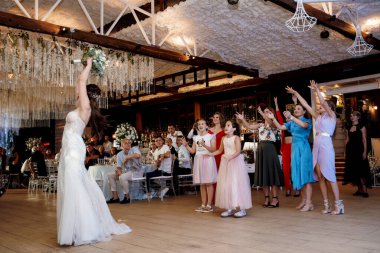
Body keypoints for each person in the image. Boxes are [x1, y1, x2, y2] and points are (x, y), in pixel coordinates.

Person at [57, 57, 131, 246]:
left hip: (74, 149)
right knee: (72, 184)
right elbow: (79, 84)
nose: (78, 93)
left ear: (86, 95)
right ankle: (75, 227)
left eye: (81, 92)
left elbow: (81, 82)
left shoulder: (85, 108)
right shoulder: (80, 107)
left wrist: (89, 65)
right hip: (68, 149)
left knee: (75, 185)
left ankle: (85, 229)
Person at [287, 80, 344, 215]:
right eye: (319, 107)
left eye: (322, 107)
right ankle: (326, 204)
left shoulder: (332, 117)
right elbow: (306, 105)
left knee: (330, 176)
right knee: (320, 177)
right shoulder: (318, 117)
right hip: (317, 146)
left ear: (329, 108)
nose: (319, 107)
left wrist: (317, 90)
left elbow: (324, 103)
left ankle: (339, 205)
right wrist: (296, 93)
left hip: (326, 146)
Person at [268, 103, 314, 211]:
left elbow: (303, 126)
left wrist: (291, 117)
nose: (296, 110)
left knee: (306, 177)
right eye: (295, 109)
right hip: (295, 149)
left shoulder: (307, 121)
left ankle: (309, 203)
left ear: (304, 112)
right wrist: (273, 118)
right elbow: (280, 127)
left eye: (299, 109)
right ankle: (303, 200)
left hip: (303, 148)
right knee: (298, 175)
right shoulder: (292, 123)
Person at [236, 107, 283, 208]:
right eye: (265, 112)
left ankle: (275, 199)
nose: (266, 113)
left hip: (270, 148)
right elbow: (248, 126)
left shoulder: (274, 123)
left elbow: (270, 122)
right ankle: (266, 198)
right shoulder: (260, 125)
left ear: (272, 114)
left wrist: (262, 112)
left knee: (272, 174)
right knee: (264, 174)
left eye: (268, 112)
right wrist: (242, 119)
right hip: (261, 148)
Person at [211, 120, 252, 218]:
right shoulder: (223, 138)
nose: (226, 126)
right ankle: (229, 208)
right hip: (226, 163)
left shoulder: (236, 138)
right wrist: (210, 154)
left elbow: (238, 151)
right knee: (226, 184)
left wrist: (230, 157)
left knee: (237, 184)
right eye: (225, 125)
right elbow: (220, 150)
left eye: (228, 125)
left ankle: (242, 209)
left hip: (235, 163)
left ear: (233, 129)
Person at [181, 118, 217, 213]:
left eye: (202, 124)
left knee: (208, 183)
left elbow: (213, 149)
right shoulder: (195, 138)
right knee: (202, 183)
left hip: (208, 159)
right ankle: (203, 204)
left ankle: (209, 205)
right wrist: (186, 145)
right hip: (198, 159)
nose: (200, 125)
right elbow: (193, 151)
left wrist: (204, 145)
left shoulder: (211, 136)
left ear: (206, 126)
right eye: (199, 124)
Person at [274, 96, 300, 197]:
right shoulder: (284, 125)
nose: (287, 118)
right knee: (285, 169)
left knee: (295, 168)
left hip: (294, 147)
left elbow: (297, 115)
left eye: (289, 116)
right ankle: (288, 188)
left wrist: (295, 102)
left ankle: (297, 188)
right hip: (285, 148)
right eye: (286, 117)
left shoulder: (295, 123)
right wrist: (276, 104)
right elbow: (278, 116)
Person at [343, 111, 371, 197]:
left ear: (358, 117)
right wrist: (344, 152)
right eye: (351, 115)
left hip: (359, 150)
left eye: (354, 115)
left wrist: (365, 152)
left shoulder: (362, 127)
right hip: (350, 151)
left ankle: (365, 191)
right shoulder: (348, 127)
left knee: (361, 169)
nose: (352, 117)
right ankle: (359, 190)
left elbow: (364, 140)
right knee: (354, 170)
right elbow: (347, 140)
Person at [107, 138, 142, 204]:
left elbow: (138, 155)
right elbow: (119, 167)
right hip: (127, 171)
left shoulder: (134, 149)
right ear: (122, 145)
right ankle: (115, 197)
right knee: (110, 175)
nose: (128, 144)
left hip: (136, 171)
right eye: (125, 143)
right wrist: (118, 171)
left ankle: (127, 197)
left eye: (129, 143)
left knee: (122, 177)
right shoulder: (119, 154)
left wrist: (127, 157)